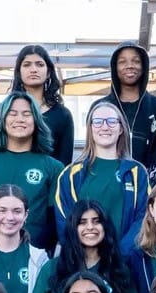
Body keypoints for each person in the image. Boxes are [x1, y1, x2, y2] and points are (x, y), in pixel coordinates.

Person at [0, 91, 63, 251]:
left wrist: (33, 251)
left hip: (35, 256)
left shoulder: (54, 167)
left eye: (26, 114)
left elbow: (55, 221)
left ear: (36, 120)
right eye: (12, 114)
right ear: (3, 119)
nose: (19, 119)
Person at [31, 199, 137, 293]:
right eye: (82, 222)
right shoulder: (52, 268)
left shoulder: (119, 270)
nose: (90, 227)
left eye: (96, 221)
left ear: (105, 226)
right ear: (73, 227)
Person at [55, 100, 149, 256]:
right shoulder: (71, 174)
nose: (105, 127)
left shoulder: (136, 172)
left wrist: (120, 255)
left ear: (121, 129)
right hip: (84, 265)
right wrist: (86, 257)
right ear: (90, 129)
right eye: (98, 122)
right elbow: (65, 221)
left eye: (112, 121)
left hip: (125, 264)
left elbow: (144, 217)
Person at [96, 42, 156, 179]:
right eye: (122, 62)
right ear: (115, 67)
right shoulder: (101, 108)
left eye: (136, 61)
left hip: (147, 188)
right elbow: (93, 152)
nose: (129, 65)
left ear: (144, 66)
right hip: (107, 184)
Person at [12, 44, 75, 165]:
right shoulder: (4, 111)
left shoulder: (62, 115)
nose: (33, 69)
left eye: (40, 64)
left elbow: (64, 163)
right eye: (27, 64)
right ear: (19, 72)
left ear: (48, 72)